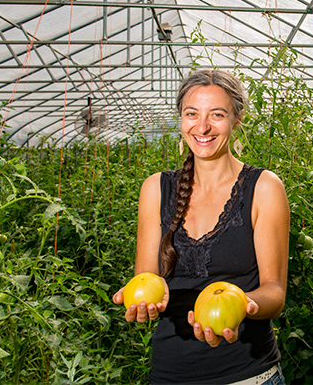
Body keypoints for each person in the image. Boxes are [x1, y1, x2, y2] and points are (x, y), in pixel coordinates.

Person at [112, 69, 290, 384]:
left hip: (249, 375)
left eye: (217, 115)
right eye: (192, 114)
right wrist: (145, 299)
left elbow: (274, 292)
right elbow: (144, 278)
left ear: (237, 119)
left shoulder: (263, 188)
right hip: (171, 375)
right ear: (181, 118)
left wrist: (243, 303)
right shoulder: (155, 189)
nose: (203, 126)